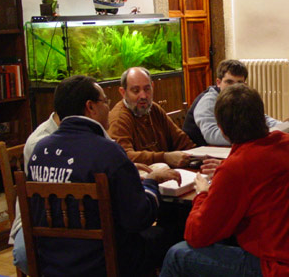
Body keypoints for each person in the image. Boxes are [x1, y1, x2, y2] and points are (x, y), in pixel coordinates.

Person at [160, 84, 289, 277]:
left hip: (286, 268)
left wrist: (203, 192)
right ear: (261, 116)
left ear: (222, 130)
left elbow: (196, 235)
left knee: (178, 255)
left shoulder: (238, 167)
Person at [26, 75, 181, 276]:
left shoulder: (39, 151)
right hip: (103, 262)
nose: (109, 108)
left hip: (50, 262)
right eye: (105, 102)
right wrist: (150, 183)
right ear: (90, 107)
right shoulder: (107, 151)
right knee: (175, 233)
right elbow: (138, 218)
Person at [182, 59, 287, 146]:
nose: (234, 87)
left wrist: (283, 126)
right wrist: (252, 136)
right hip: (198, 154)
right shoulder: (208, 101)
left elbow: (259, 118)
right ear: (218, 83)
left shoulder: (240, 97)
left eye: (239, 83)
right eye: (229, 82)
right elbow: (212, 135)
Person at [109, 67, 195, 167]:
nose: (143, 96)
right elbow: (124, 156)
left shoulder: (154, 109)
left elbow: (181, 140)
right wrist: (164, 157)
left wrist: (198, 157)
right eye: (136, 91)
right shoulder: (119, 118)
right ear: (123, 92)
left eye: (147, 89)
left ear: (152, 87)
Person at [11, 112, 60, 274]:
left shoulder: (92, 129)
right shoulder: (39, 143)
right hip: (37, 211)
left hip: (69, 209)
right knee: (24, 254)